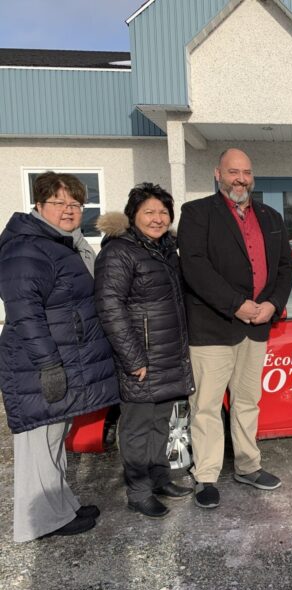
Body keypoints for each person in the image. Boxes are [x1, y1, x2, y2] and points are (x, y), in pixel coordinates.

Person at [0, 172, 119, 541]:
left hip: (63, 357)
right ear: (39, 205)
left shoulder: (60, 242)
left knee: (53, 438)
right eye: (59, 203)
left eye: (75, 203)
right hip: (38, 363)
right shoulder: (26, 248)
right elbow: (24, 313)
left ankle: (60, 506)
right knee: (39, 442)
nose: (69, 210)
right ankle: (39, 521)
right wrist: (48, 365)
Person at [178, 148, 292, 509]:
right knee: (207, 407)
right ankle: (207, 476)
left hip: (256, 327)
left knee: (248, 402)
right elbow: (195, 267)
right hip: (213, 327)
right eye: (232, 172)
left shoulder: (270, 216)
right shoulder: (197, 213)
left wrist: (272, 304)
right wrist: (237, 305)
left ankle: (248, 465)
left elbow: (286, 267)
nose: (240, 179)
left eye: (246, 172)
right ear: (218, 174)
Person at [94, 183, 196, 518]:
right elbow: (110, 306)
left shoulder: (165, 249)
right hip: (140, 358)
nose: (157, 219)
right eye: (149, 212)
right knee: (137, 428)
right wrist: (133, 357)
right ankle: (138, 492)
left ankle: (159, 477)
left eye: (163, 212)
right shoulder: (119, 251)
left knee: (162, 424)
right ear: (133, 215)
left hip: (167, 355)